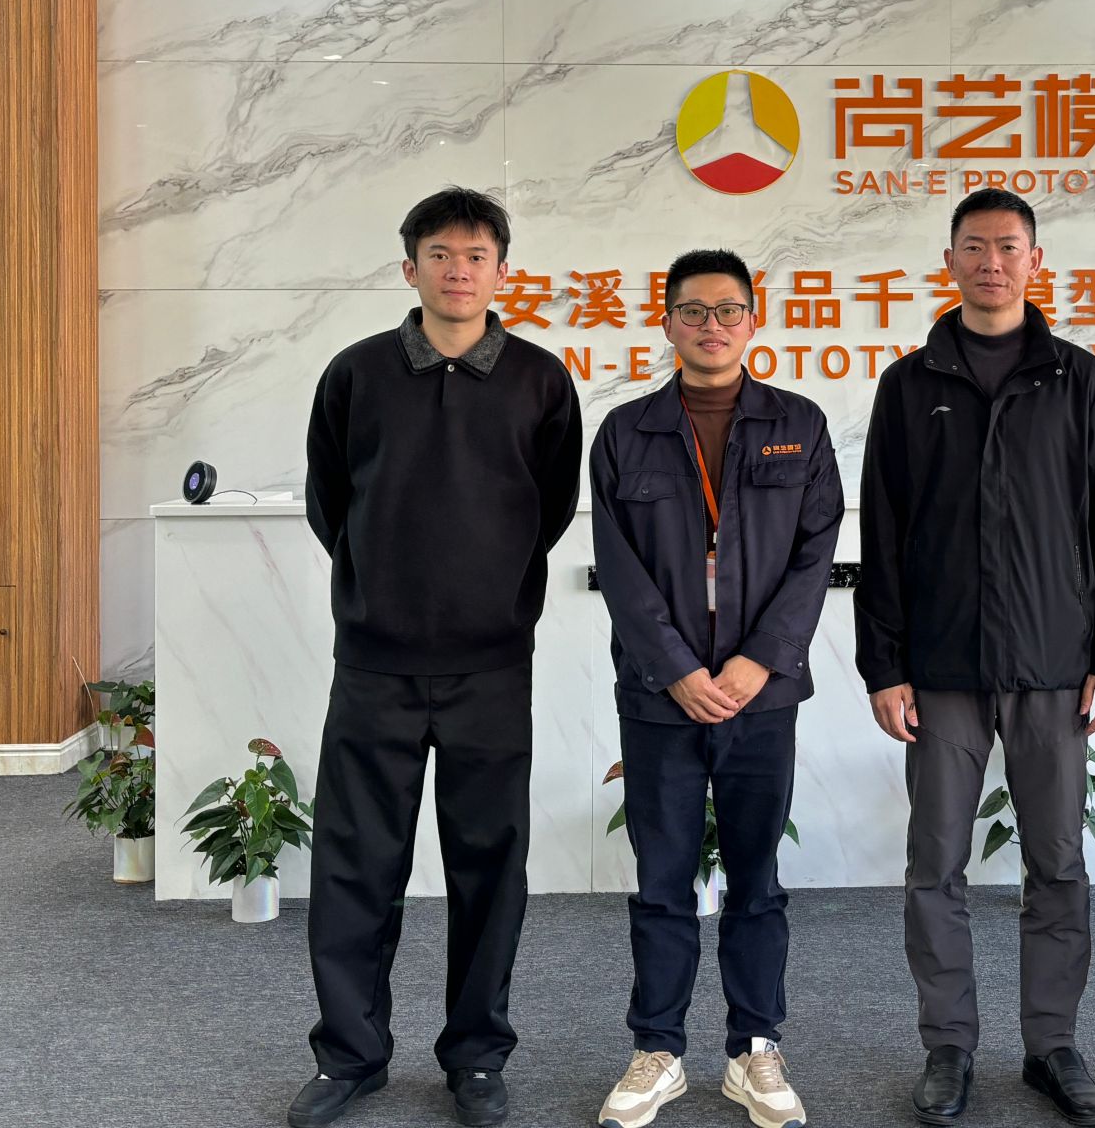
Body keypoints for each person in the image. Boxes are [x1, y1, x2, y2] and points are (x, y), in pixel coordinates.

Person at [290, 188, 582, 1128]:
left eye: (477, 255)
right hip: (374, 662)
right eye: (442, 254)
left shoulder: (540, 380)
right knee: (354, 864)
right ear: (409, 266)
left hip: (489, 666)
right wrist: (381, 589)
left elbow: (549, 509)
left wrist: (486, 593)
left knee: (490, 867)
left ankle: (477, 1056)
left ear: (503, 271)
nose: (460, 271)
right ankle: (350, 1055)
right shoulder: (356, 373)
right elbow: (331, 503)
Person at [856, 189, 1095, 1128]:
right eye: (974, 247)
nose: (991, 262)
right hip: (939, 667)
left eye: (1008, 247)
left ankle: (1052, 1044)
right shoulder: (909, 385)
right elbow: (883, 534)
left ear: (1035, 261)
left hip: (1055, 663)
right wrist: (882, 665)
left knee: (1057, 863)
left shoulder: (1079, 380)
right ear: (949, 261)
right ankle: (948, 1046)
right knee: (934, 864)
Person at [591, 249, 844, 1128]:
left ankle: (754, 1049)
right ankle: (657, 1050)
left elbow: (815, 555)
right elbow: (620, 568)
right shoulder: (626, 431)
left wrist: (758, 661)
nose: (711, 325)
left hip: (760, 696)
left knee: (756, 877)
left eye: (727, 310)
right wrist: (677, 669)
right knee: (661, 878)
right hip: (660, 696)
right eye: (693, 311)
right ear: (666, 322)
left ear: (752, 319)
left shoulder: (798, 425)